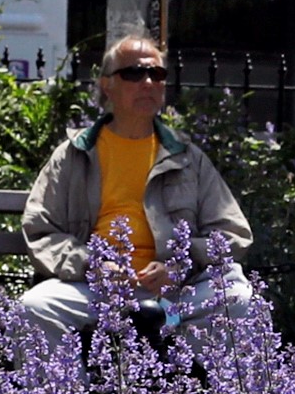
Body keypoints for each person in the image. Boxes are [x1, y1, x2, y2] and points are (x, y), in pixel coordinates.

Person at [17, 34, 254, 340]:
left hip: (176, 298)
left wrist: (178, 266)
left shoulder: (188, 157)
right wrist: (94, 266)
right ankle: (65, 390)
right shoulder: (73, 154)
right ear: (107, 86)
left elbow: (234, 234)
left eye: (157, 74)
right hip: (95, 292)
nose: (147, 82)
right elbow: (41, 231)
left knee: (239, 301)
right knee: (32, 307)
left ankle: (193, 387)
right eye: (133, 73)